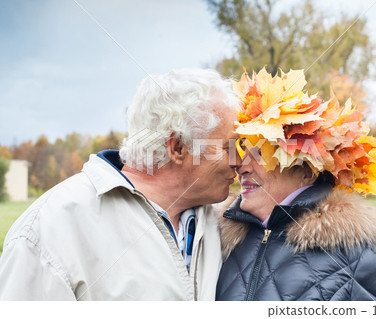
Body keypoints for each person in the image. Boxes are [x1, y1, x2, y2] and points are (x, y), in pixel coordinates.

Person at [0, 68, 240, 300]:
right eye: (227, 147)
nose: (238, 161)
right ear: (177, 147)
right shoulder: (49, 230)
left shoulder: (220, 222)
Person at [215, 68, 376, 301]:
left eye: (261, 154)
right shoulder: (217, 240)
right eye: (244, 151)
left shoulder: (357, 257)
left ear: (307, 171)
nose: (241, 167)